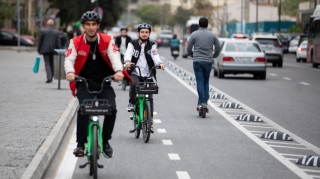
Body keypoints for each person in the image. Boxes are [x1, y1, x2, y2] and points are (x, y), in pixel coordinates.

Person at [64, 11, 131, 158]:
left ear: (98, 26)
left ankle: (106, 141)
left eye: (94, 24)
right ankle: (80, 144)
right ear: (83, 26)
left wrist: (119, 71)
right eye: (87, 24)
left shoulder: (108, 40)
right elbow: (69, 59)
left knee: (112, 110)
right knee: (83, 110)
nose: (90, 27)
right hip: (84, 82)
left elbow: (114, 56)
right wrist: (70, 72)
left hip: (104, 82)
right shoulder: (75, 42)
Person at [123, 23, 165, 131]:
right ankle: (131, 103)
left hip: (148, 74)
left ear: (149, 33)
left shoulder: (152, 45)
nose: (144, 34)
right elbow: (128, 53)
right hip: (135, 72)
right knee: (133, 83)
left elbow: (155, 56)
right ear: (138, 33)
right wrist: (127, 62)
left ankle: (149, 122)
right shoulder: (132, 44)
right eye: (142, 32)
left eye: (146, 32)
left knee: (150, 99)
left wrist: (160, 63)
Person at [187, 17, 221, 111]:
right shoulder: (212, 35)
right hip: (208, 61)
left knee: (199, 82)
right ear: (207, 25)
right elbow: (218, 47)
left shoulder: (194, 34)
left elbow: (189, 47)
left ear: (199, 25)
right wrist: (214, 55)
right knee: (206, 82)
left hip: (197, 61)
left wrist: (192, 54)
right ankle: (204, 102)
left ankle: (202, 102)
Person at [38, 19, 61, 83]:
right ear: (53, 24)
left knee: (47, 63)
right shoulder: (56, 32)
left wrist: (39, 50)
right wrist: (59, 51)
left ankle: (49, 77)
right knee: (52, 63)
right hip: (54, 50)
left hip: (45, 50)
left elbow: (40, 41)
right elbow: (58, 43)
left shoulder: (43, 31)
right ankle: (51, 75)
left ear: (47, 24)